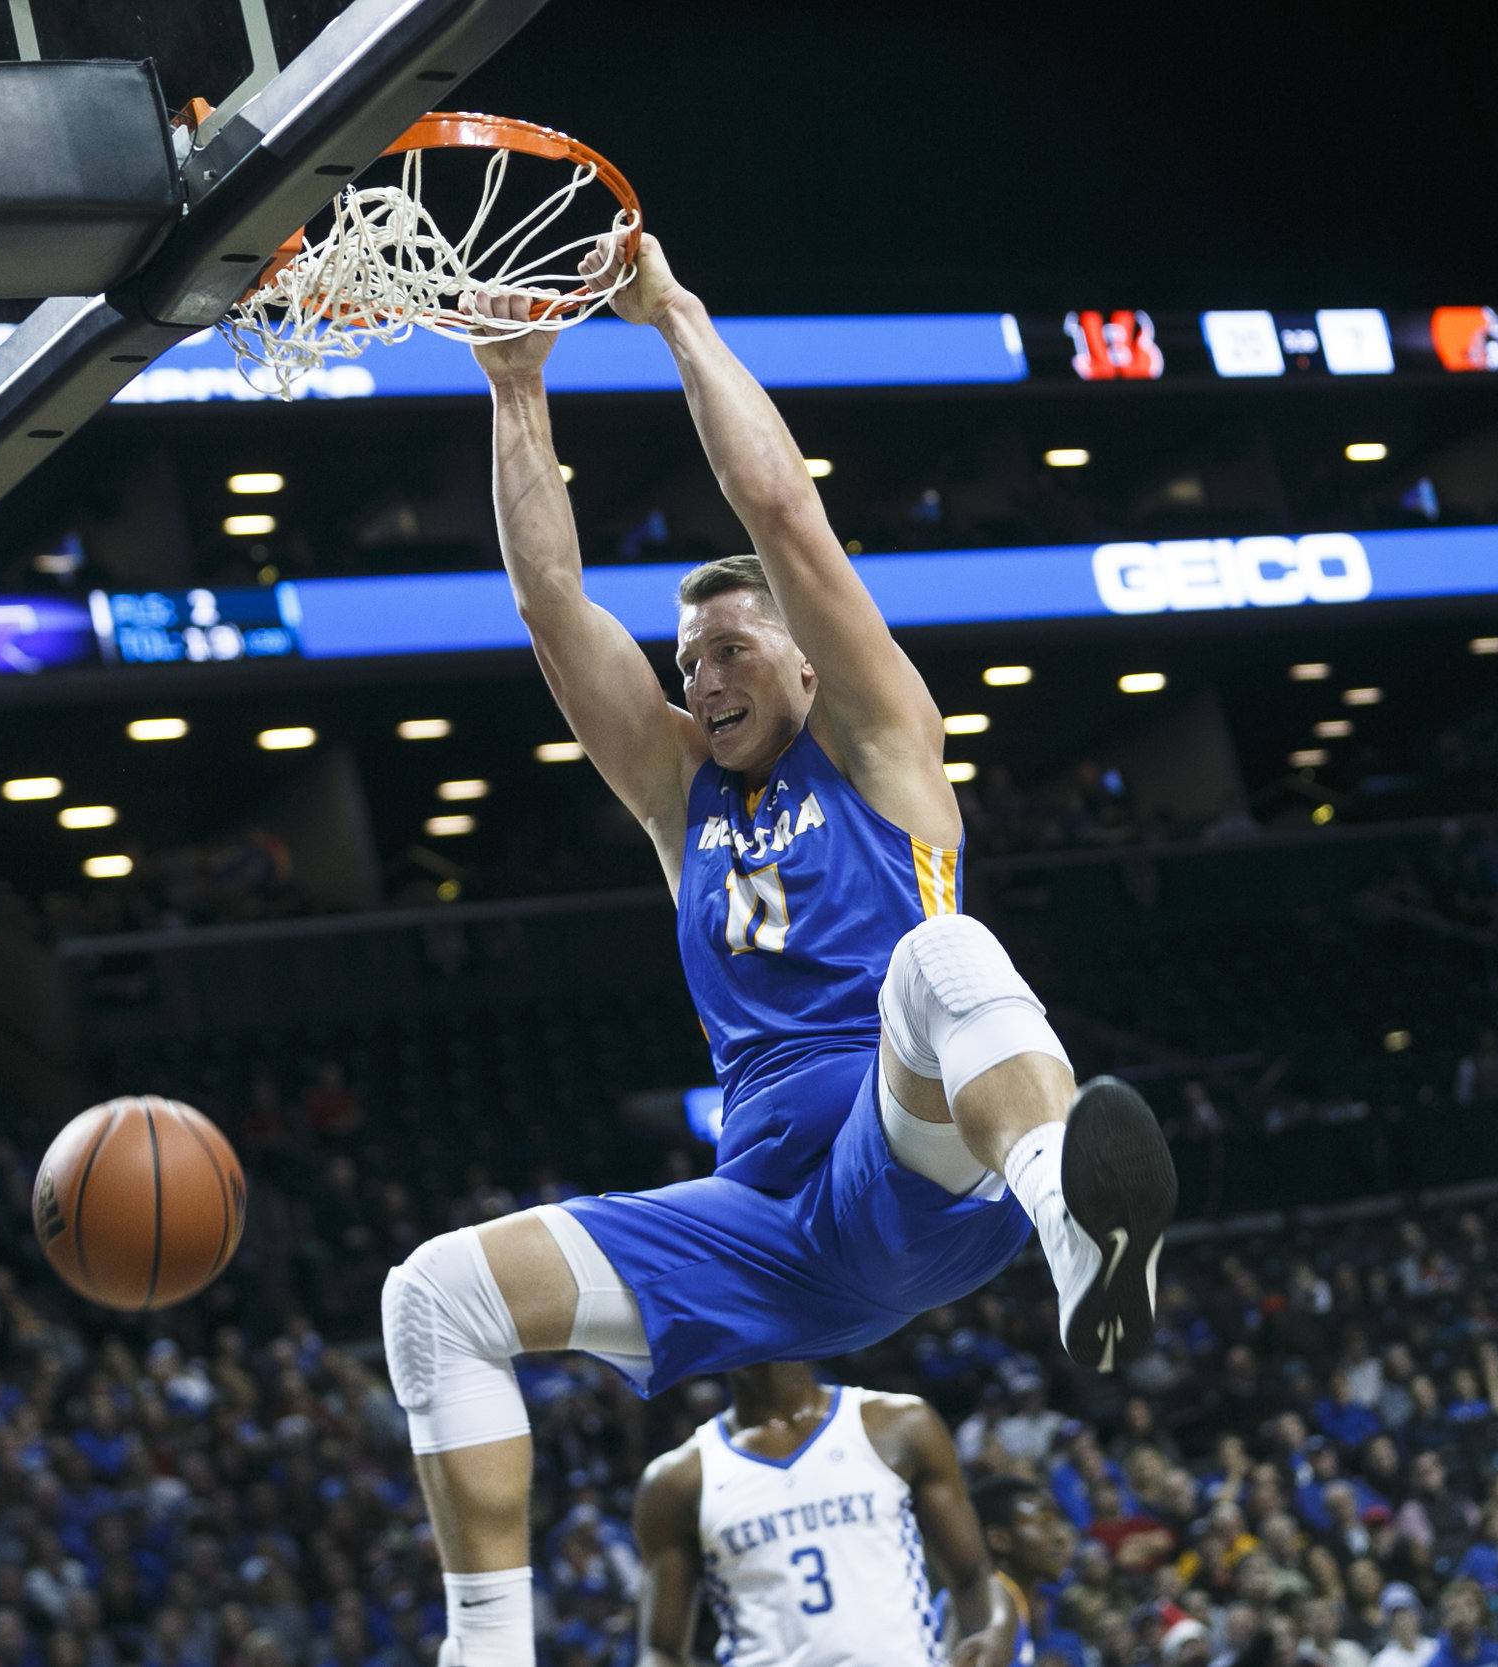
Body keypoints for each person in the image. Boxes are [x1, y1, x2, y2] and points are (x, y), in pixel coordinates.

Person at [387, 235, 1178, 1667]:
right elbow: (552, 611)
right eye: (688, 659)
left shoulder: (882, 747)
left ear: (809, 665)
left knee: (936, 958)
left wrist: (669, 311)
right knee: (433, 1292)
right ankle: (486, 1646)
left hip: (920, 1164)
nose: (701, 674)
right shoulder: (680, 794)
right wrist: (516, 388)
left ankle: (1078, 1224)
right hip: (773, 1232)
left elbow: (780, 511)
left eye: (733, 648)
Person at [631, 1363, 1015, 1667]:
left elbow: (974, 1577)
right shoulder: (676, 1480)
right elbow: (661, 1650)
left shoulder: (901, 1425)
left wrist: (995, 1633)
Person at [973, 1472, 1080, 1667]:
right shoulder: (990, 1606)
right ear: (999, 1540)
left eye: (1057, 1522)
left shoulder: (1002, 1601)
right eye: (1043, 1523)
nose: (1060, 1537)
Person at [1424, 1579, 1498, 1667]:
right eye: (1453, 1609)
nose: (1462, 1615)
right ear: (1442, 1621)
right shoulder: (1436, 1664)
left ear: (1481, 1612)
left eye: (1469, 1607)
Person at [1371, 1584, 1438, 1667]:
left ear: (1417, 1616)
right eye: (1396, 1618)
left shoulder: (1436, 1648)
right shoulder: (1382, 1662)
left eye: (1407, 1615)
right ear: (1389, 1624)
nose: (1402, 1622)